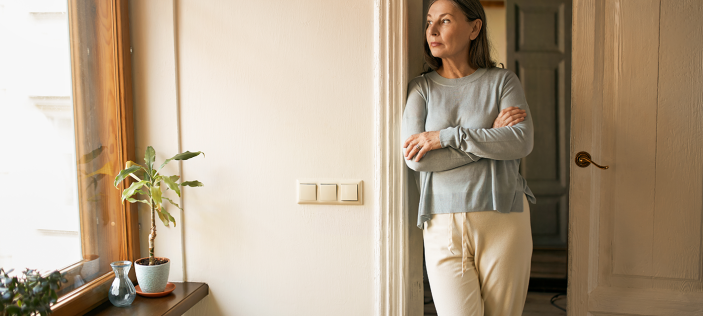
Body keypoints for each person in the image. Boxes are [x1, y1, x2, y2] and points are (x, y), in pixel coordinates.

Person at [400, 0, 536, 315]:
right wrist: (489, 135)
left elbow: (520, 141)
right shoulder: (421, 89)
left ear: (474, 28)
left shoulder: (503, 82)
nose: (431, 30)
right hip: (442, 224)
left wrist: (447, 137)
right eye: (429, 22)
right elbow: (417, 159)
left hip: (503, 218)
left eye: (444, 21)